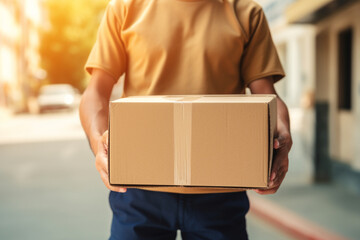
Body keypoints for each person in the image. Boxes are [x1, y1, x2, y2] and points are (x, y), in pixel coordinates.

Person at [79, 0, 292, 239]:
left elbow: (267, 94)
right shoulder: (125, 8)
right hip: (138, 187)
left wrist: (282, 137)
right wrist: (99, 145)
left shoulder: (245, 12)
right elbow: (96, 91)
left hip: (220, 186)